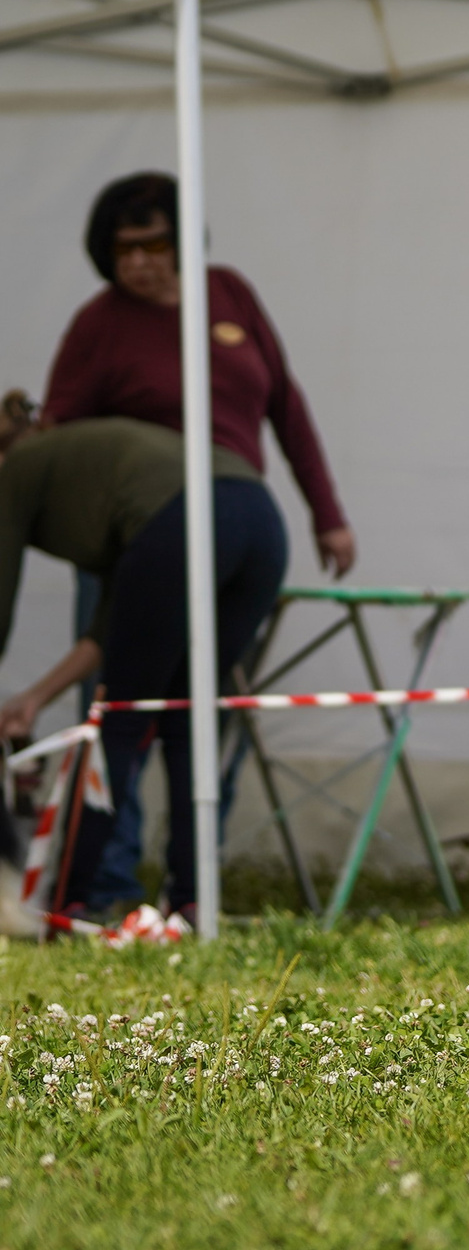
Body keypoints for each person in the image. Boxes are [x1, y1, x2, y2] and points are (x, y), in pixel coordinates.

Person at [0, 397, 288, 923]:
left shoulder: (18, 469)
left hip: (181, 526)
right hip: (262, 526)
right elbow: (113, 623)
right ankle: (192, 899)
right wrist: (34, 698)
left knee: (118, 722)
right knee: (187, 718)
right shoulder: (96, 468)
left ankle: (71, 902)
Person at [44, 172, 356, 578]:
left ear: (182, 241)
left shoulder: (229, 292)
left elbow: (286, 406)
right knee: (130, 642)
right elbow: (59, 430)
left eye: (152, 244)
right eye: (124, 248)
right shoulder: (97, 322)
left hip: (235, 513)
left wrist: (327, 515)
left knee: (228, 639)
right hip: (138, 526)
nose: (138, 261)